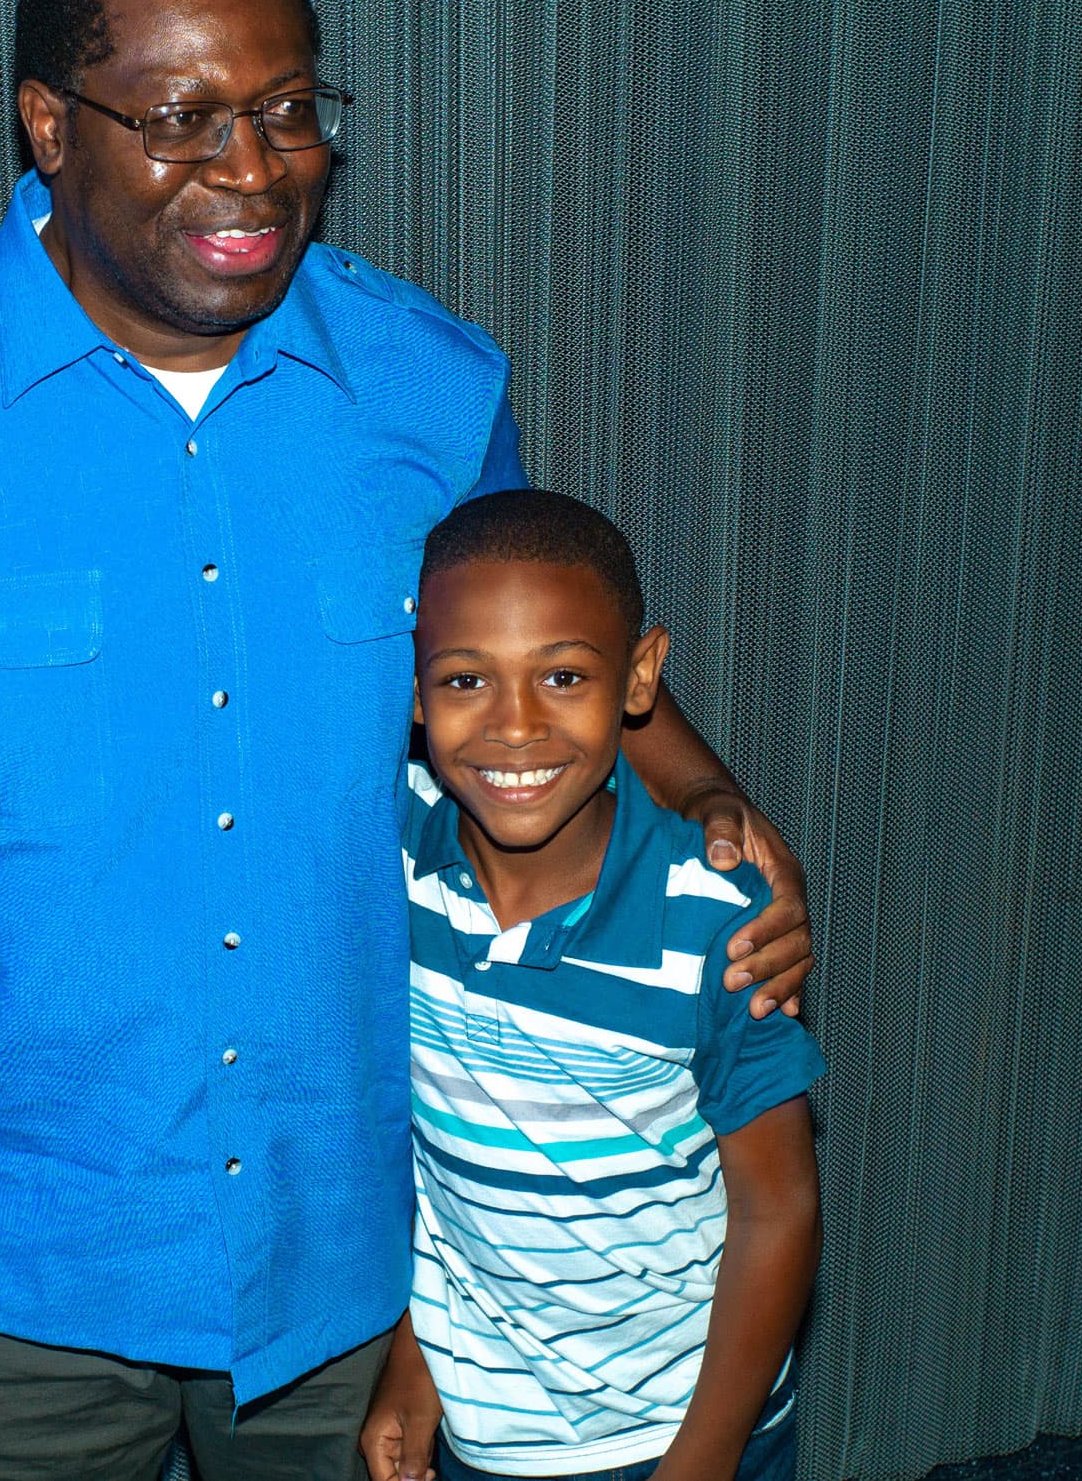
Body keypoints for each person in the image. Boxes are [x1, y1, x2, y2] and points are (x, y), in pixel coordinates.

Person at [0, 0, 814, 1481]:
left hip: (361, 1247)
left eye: (291, 109)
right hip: (11, 1270)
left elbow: (532, 658)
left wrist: (710, 794)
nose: (253, 166)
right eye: (182, 118)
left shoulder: (435, 391)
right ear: (48, 124)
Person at [357, 490, 822, 1481]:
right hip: (492, 1431)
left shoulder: (716, 916)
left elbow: (778, 1209)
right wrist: (416, 1357)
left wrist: (702, 1460)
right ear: (411, 689)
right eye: (464, 679)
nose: (513, 728)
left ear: (639, 677)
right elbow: (448, 1168)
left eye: (562, 675)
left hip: (679, 1427)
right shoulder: (395, 857)